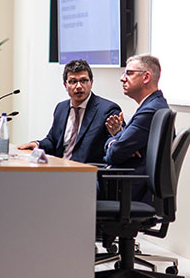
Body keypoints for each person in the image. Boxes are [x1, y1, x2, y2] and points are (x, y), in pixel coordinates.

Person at [18, 59, 121, 164]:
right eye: (73, 81)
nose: (79, 86)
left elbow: (117, 142)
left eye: (84, 80)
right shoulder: (61, 108)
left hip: (86, 170)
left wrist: (117, 133)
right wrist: (37, 144)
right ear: (65, 85)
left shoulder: (107, 110)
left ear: (91, 83)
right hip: (60, 167)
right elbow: (53, 141)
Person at [104, 54, 169, 203]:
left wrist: (114, 143)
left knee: (73, 188)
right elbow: (120, 147)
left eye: (129, 73)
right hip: (130, 187)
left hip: (129, 192)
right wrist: (118, 139)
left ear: (146, 77)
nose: (122, 78)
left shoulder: (149, 111)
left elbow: (115, 154)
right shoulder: (154, 105)